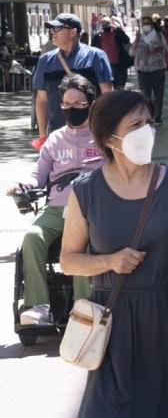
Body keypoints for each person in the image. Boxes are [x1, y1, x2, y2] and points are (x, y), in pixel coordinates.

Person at [60, 90, 168, 417]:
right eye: (136, 125)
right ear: (110, 138)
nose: (147, 131)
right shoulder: (85, 191)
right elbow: (68, 260)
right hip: (115, 322)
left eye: (149, 122)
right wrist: (109, 261)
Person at [5, 74, 101, 325]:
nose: (72, 109)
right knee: (32, 237)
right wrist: (22, 186)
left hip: (92, 209)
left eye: (79, 104)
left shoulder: (104, 137)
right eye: (66, 104)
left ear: (91, 103)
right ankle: (38, 306)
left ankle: (84, 308)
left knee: (83, 245)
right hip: (58, 207)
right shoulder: (54, 140)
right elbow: (38, 176)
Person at [33, 13, 113, 148]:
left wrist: (108, 131)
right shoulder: (45, 61)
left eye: (58, 29)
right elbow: (41, 101)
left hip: (92, 136)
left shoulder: (95, 56)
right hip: (58, 136)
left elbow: (108, 96)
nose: (53, 32)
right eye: (52, 29)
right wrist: (43, 137)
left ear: (73, 32)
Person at [131, 16, 168, 125]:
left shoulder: (159, 35)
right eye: (143, 24)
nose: (145, 26)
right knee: (145, 96)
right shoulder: (139, 36)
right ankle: (149, 116)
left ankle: (158, 116)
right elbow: (131, 53)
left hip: (158, 69)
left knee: (158, 95)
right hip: (143, 70)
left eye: (147, 23)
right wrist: (136, 38)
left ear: (152, 24)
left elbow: (167, 50)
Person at [91, 16, 132, 90]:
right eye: (103, 24)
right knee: (107, 90)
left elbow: (126, 40)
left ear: (110, 24)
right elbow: (92, 50)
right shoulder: (97, 37)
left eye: (106, 24)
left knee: (119, 88)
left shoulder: (117, 33)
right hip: (104, 67)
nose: (104, 26)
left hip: (119, 66)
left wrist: (118, 30)